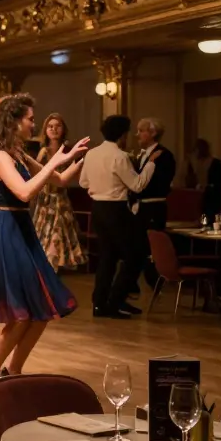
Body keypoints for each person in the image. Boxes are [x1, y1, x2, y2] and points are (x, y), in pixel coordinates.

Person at [0, 94, 88, 392]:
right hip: (6, 231)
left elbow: (57, 181)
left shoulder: (17, 152)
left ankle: (13, 368)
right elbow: (24, 192)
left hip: (22, 229)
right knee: (21, 313)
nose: (34, 123)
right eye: (30, 119)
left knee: (42, 309)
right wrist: (53, 162)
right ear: (13, 121)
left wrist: (74, 160)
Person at [80, 115, 158, 319]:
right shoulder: (120, 156)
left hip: (98, 209)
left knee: (107, 257)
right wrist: (150, 165)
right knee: (135, 256)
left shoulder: (92, 154)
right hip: (116, 210)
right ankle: (115, 301)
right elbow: (137, 185)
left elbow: (83, 183)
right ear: (122, 135)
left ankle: (99, 303)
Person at [29, 113, 87, 272]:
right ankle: (48, 270)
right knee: (47, 235)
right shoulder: (44, 152)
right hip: (46, 200)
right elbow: (37, 176)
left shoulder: (70, 152)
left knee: (60, 236)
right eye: (50, 126)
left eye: (57, 126)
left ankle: (53, 271)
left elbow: (75, 177)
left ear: (63, 129)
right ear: (45, 130)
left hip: (61, 198)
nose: (54, 129)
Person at [131, 118, 176, 292]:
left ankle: (155, 281)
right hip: (140, 207)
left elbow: (160, 184)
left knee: (149, 247)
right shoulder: (142, 154)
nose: (137, 135)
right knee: (138, 246)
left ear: (153, 133)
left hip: (153, 207)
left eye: (141, 130)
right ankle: (147, 282)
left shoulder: (164, 155)